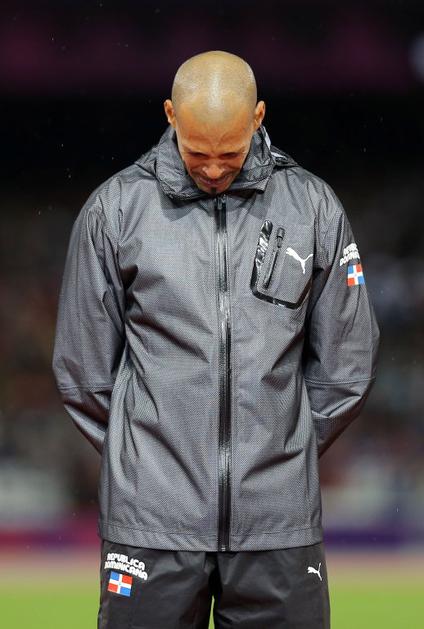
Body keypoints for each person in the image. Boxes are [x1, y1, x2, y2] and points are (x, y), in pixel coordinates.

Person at [52, 50, 380, 628]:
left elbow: (347, 366)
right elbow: (84, 373)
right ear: (170, 115)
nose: (211, 168)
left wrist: (280, 449)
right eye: (197, 151)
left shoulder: (314, 208)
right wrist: (148, 460)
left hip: (278, 524)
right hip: (150, 525)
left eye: (229, 153)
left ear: (258, 118)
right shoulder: (114, 211)